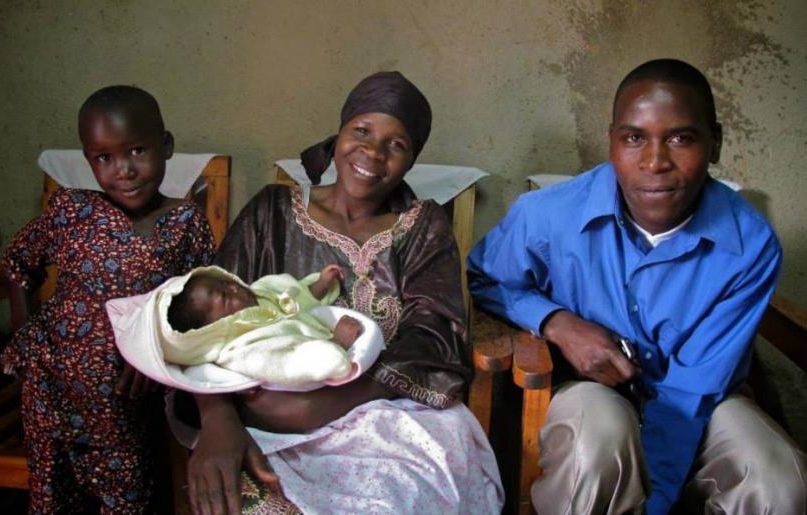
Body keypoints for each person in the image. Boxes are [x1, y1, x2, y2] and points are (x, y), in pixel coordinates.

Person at [468, 58, 807, 515]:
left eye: (681, 139)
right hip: (591, 394)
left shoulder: (749, 245)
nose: (654, 162)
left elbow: (693, 390)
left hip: (703, 398)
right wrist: (557, 322)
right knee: (598, 445)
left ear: (716, 143)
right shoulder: (547, 215)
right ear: (610, 142)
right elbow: (484, 277)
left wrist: (658, 501)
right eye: (633, 138)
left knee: (778, 480)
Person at [179, 71, 503, 514]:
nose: (373, 152)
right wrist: (218, 421)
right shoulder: (270, 212)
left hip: (389, 417)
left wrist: (328, 404)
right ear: (339, 133)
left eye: (397, 144)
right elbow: (208, 320)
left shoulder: (422, 227)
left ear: (411, 160)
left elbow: (436, 334)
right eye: (362, 131)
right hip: (261, 416)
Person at [0, 85, 216, 513]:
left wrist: (156, 350)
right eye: (105, 158)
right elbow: (18, 264)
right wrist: (26, 334)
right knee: (52, 486)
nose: (125, 170)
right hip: (50, 386)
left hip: (127, 395)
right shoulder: (71, 211)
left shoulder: (184, 221)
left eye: (137, 150)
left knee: (129, 487)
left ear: (166, 145)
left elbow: (198, 305)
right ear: (89, 161)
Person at [163, 264, 368, 386]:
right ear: (213, 330)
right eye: (225, 296)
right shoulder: (246, 348)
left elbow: (292, 300)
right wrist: (337, 343)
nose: (235, 287)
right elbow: (291, 363)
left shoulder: (259, 294)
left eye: (225, 282)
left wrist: (319, 286)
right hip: (317, 384)